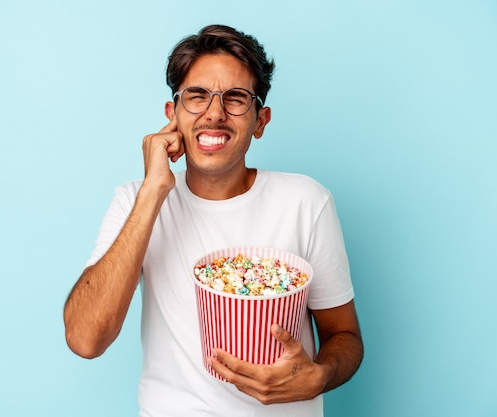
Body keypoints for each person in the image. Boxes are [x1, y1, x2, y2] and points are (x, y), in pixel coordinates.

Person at [63, 24, 363, 416]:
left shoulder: (306, 201)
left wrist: (320, 375)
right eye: (197, 96)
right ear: (173, 114)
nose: (215, 114)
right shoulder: (132, 202)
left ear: (260, 120)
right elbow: (86, 339)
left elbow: (345, 335)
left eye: (236, 98)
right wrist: (153, 191)